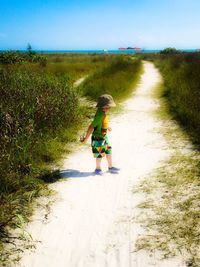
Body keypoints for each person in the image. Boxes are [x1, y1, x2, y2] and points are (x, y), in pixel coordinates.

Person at [81, 94, 120, 175]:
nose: (109, 108)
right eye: (108, 107)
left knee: (109, 151)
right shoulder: (100, 115)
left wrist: (107, 127)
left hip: (104, 137)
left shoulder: (102, 112)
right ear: (103, 106)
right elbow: (91, 126)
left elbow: (102, 122)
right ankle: (97, 169)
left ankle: (110, 167)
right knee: (99, 154)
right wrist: (86, 139)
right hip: (98, 138)